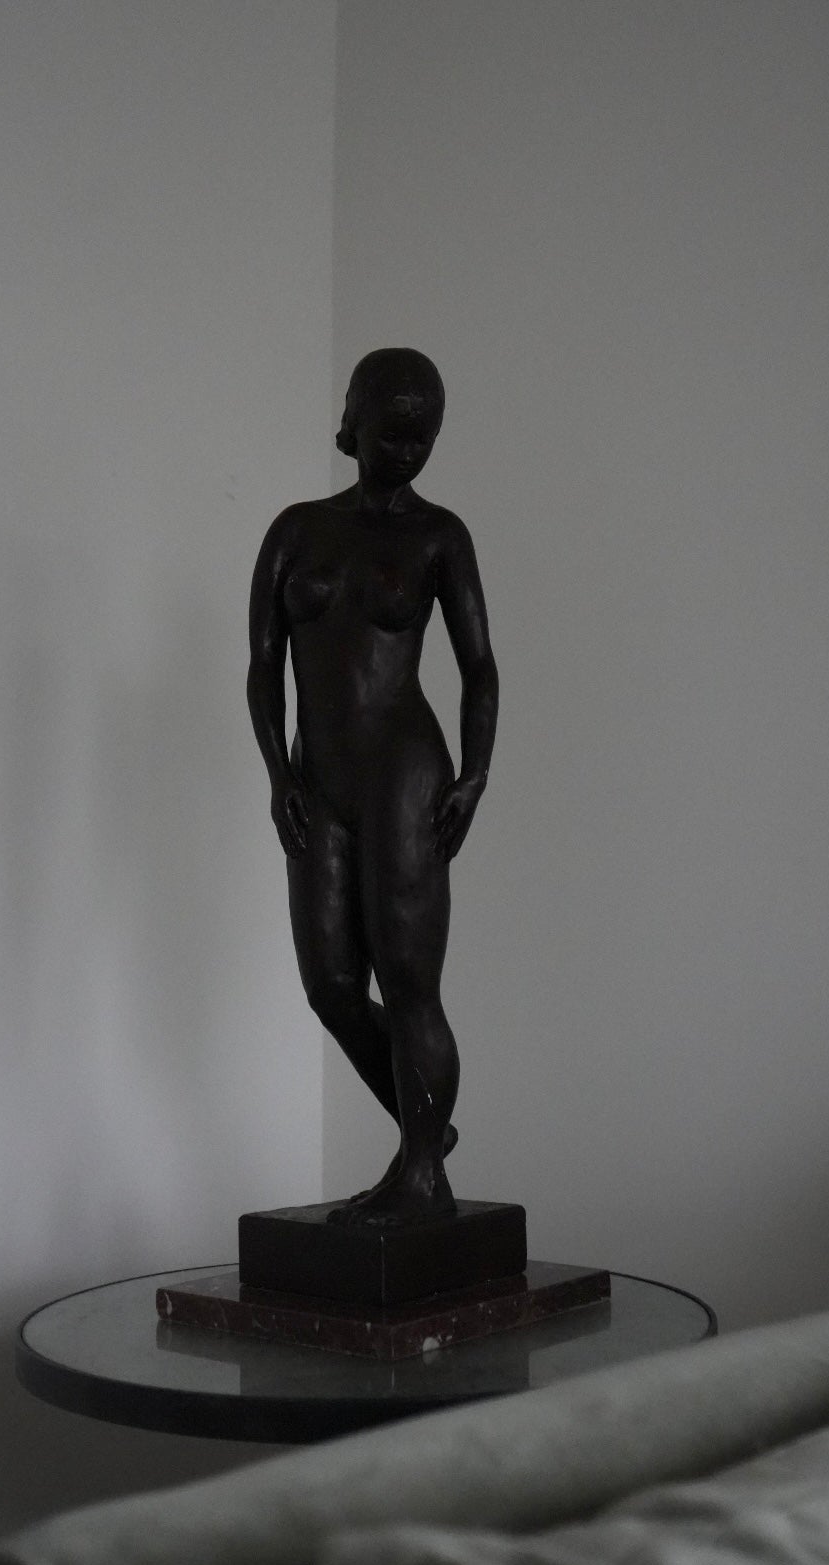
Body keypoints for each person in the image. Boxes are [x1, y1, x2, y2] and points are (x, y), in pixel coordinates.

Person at [247, 348, 498, 1226]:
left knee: (410, 980)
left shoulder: (440, 537)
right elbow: (264, 665)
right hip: (319, 777)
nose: (406, 452)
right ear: (351, 423)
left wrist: (475, 775)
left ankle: (422, 1172)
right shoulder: (295, 531)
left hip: (403, 771)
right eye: (390, 433)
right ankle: (425, 1129)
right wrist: (277, 772)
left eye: (422, 437)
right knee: (331, 985)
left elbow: (480, 668)